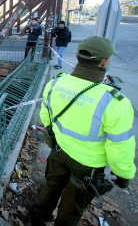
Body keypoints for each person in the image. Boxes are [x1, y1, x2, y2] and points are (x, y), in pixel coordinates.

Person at [32, 36, 136, 226]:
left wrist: (53, 138)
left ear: (78, 56)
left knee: (51, 187)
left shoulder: (56, 83)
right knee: (72, 206)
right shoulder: (114, 101)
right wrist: (123, 175)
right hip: (88, 166)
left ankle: (37, 217)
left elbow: (46, 116)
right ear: (105, 62)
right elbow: (120, 146)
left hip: (59, 152)